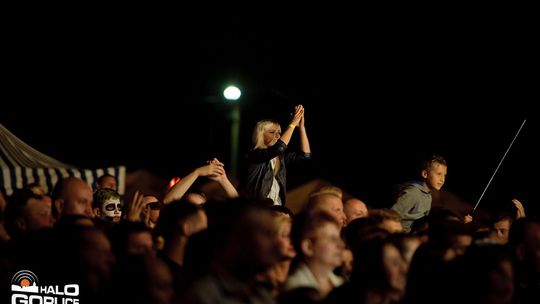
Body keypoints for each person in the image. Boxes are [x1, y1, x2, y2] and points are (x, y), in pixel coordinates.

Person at [243, 104, 311, 206]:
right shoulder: (254, 155)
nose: (278, 136)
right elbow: (279, 148)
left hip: (276, 208)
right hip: (256, 208)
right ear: (260, 134)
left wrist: (301, 127)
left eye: (279, 132)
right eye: (272, 132)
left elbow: (305, 155)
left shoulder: (280, 157)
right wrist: (292, 124)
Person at [391, 154, 447, 233]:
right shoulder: (413, 193)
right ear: (425, 174)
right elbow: (392, 215)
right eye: (439, 174)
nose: (442, 179)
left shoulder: (428, 195)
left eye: (444, 175)